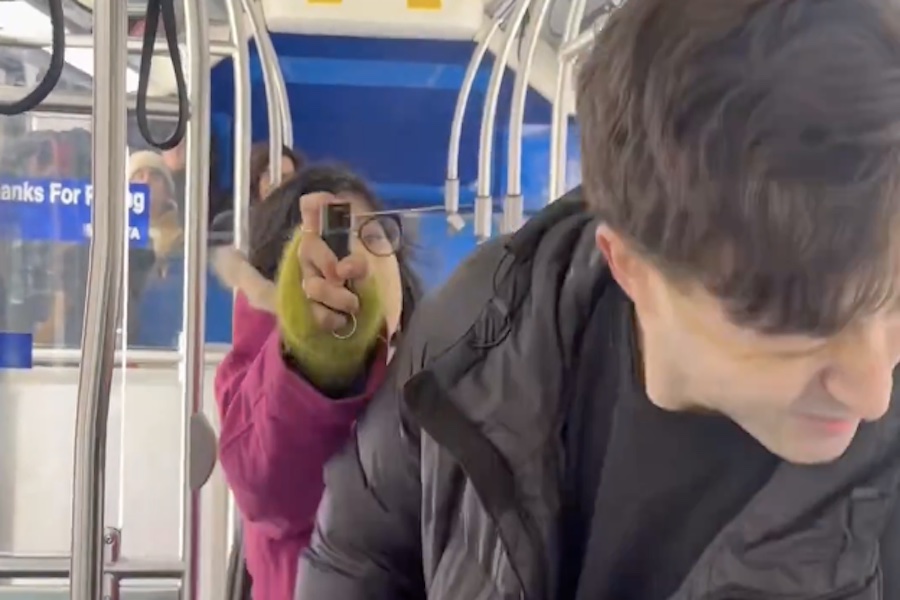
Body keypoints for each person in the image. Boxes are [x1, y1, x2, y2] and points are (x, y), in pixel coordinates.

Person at [295, 0, 900, 599]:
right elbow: (356, 555)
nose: (874, 391)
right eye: (799, 327)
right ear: (631, 268)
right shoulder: (480, 332)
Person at [213, 164, 421, 600]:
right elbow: (268, 477)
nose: (356, 261)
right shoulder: (257, 379)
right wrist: (319, 355)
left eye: (373, 235)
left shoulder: (432, 364)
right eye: (336, 241)